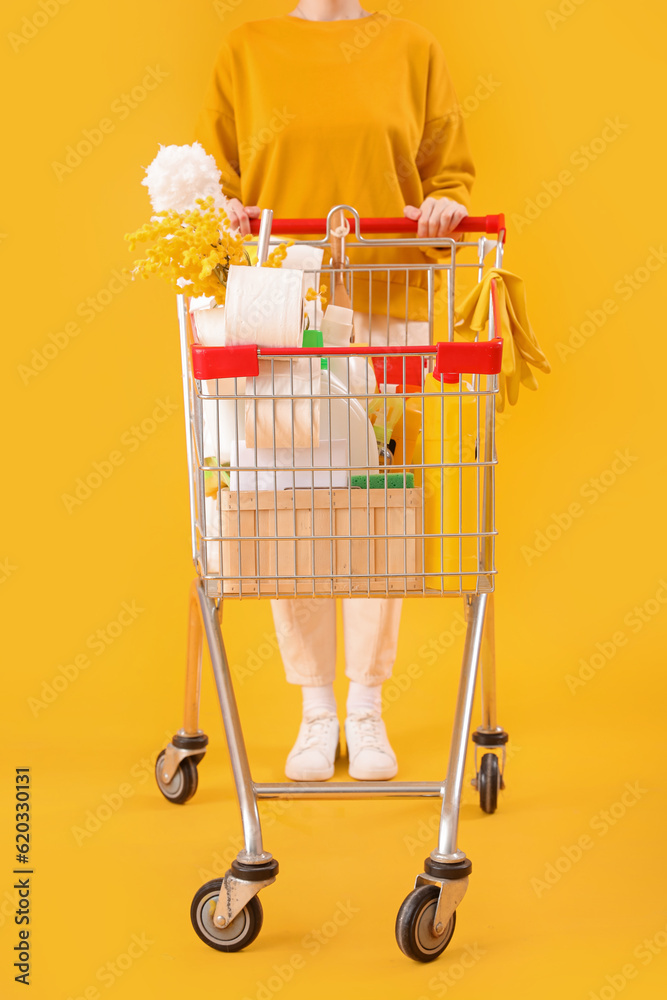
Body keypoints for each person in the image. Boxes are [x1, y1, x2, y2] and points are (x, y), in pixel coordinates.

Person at [196, 0, 475, 782]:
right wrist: (218, 208)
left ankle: (366, 707)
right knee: (291, 504)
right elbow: (215, 181)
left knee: (373, 505)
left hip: (388, 304)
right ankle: (316, 708)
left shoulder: (413, 48)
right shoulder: (246, 51)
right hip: (282, 311)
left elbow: (448, 171)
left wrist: (444, 202)